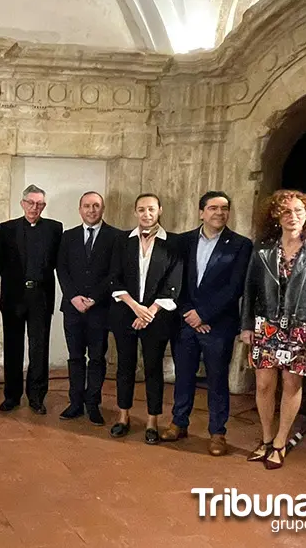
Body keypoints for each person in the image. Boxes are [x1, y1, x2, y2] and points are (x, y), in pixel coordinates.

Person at [241, 189, 306, 470]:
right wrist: (246, 326)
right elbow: (250, 290)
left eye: (298, 211)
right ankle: (267, 438)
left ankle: (281, 442)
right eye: (286, 211)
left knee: (292, 384)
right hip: (266, 325)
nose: (292, 217)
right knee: (264, 384)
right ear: (276, 215)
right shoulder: (263, 248)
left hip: (301, 328)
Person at [161, 191, 252, 456]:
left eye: (225, 208)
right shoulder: (183, 241)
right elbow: (175, 280)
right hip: (185, 321)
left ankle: (217, 433)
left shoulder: (240, 245)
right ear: (201, 212)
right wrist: (190, 312)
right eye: (213, 208)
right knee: (184, 376)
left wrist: (205, 315)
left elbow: (235, 287)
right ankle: (179, 423)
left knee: (217, 380)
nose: (219, 213)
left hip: (218, 325)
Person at [108, 193, 182, 444]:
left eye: (151, 209)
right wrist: (134, 308)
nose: (146, 214)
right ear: (135, 212)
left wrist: (149, 312)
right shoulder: (121, 241)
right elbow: (114, 277)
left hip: (156, 318)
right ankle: (123, 416)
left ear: (160, 210)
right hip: (125, 315)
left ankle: (152, 421)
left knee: (153, 369)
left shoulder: (173, 243)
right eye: (141, 210)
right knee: (125, 368)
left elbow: (173, 283)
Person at [55, 191, 120, 426]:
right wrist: (73, 297)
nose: (91, 210)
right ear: (80, 209)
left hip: (100, 309)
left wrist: (93, 298)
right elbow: (61, 269)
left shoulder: (116, 237)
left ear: (102, 209)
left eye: (96, 206)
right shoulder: (68, 236)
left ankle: (93, 404)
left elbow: (115, 272)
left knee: (96, 358)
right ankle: (75, 402)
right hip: (72, 308)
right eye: (87, 206)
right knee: (75, 357)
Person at [0, 185, 62, 414]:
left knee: (38, 349)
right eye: (31, 203)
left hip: (41, 297)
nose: (35, 208)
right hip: (14, 296)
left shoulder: (55, 229)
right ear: (22, 203)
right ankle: (11, 396)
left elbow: (56, 262)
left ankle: (36, 396)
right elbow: (0, 262)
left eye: (40, 204)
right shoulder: (5, 229)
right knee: (13, 348)